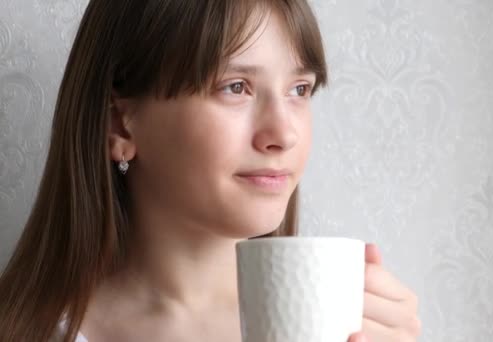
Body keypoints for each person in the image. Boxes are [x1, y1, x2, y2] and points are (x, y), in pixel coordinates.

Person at [0, 0, 421, 341]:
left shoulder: (346, 328)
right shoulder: (28, 331)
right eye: (235, 87)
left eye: (300, 90)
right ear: (119, 123)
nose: (283, 134)